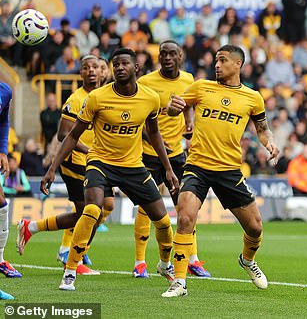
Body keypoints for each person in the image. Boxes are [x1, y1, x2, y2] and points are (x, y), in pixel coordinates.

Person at [40, 48, 177, 291]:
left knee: (164, 222)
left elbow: (154, 133)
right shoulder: (97, 98)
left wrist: (168, 168)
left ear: (136, 68)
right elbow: (71, 136)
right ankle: (70, 271)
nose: (120, 68)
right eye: (116, 64)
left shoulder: (150, 98)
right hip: (100, 162)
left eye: (125, 63)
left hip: (133, 166)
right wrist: (52, 168)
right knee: (92, 209)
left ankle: (165, 264)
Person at [162, 44, 279, 297]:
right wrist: (173, 108)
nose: (217, 64)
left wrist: (269, 141)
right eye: (216, 60)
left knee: (256, 228)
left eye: (222, 60)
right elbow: (176, 108)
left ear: (238, 64)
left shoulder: (252, 97)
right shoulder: (201, 86)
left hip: (229, 170)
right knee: (184, 218)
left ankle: (247, 260)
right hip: (197, 166)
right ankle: (179, 281)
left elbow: (262, 128)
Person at [17, 56, 111, 275]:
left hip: (95, 162)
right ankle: (74, 261)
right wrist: (87, 151)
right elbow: (62, 134)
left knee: (95, 211)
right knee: (91, 214)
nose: (91, 71)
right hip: (75, 162)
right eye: (86, 68)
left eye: (95, 67)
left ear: (102, 72)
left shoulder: (103, 96)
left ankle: (32, 227)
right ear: (80, 73)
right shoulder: (76, 99)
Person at [134, 40, 210, 278]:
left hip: (177, 153)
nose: (166, 58)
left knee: (186, 207)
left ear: (180, 56)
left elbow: (189, 105)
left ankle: (193, 260)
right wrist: (151, 138)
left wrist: (190, 123)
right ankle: (139, 263)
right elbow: (138, 118)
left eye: (171, 54)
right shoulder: (145, 82)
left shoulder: (189, 80)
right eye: (162, 54)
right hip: (150, 154)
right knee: (147, 208)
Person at [0, 82, 20, 300]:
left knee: (1, 203)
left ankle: (1, 259)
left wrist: (3, 150)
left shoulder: (4, 90)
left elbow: (3, 121)